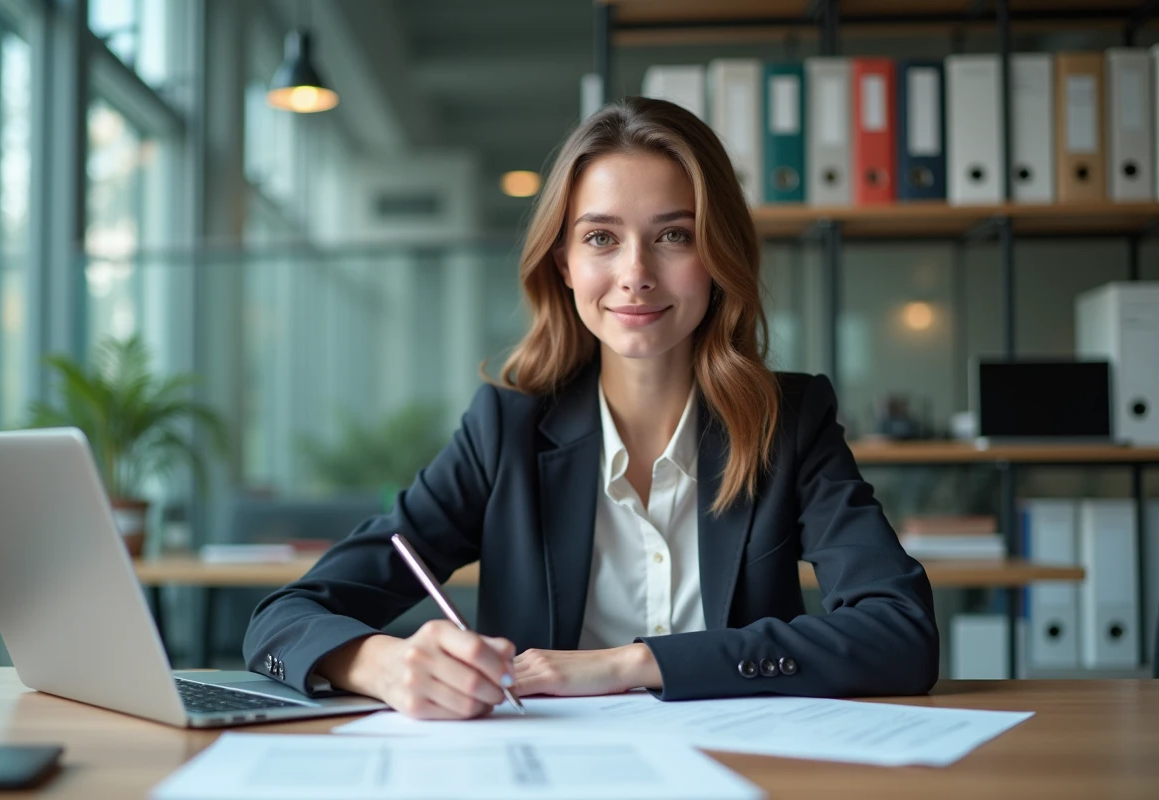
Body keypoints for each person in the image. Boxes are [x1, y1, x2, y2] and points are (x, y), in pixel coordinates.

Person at [243, 97, 939, 720]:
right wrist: (387, 667)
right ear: (564, 264)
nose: (635, 272)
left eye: (674, 235)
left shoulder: (788, 421)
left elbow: (900, 633)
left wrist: (631, 663)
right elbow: (284, 619)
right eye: (601, 238)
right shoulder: (505, 431)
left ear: (719, 255)